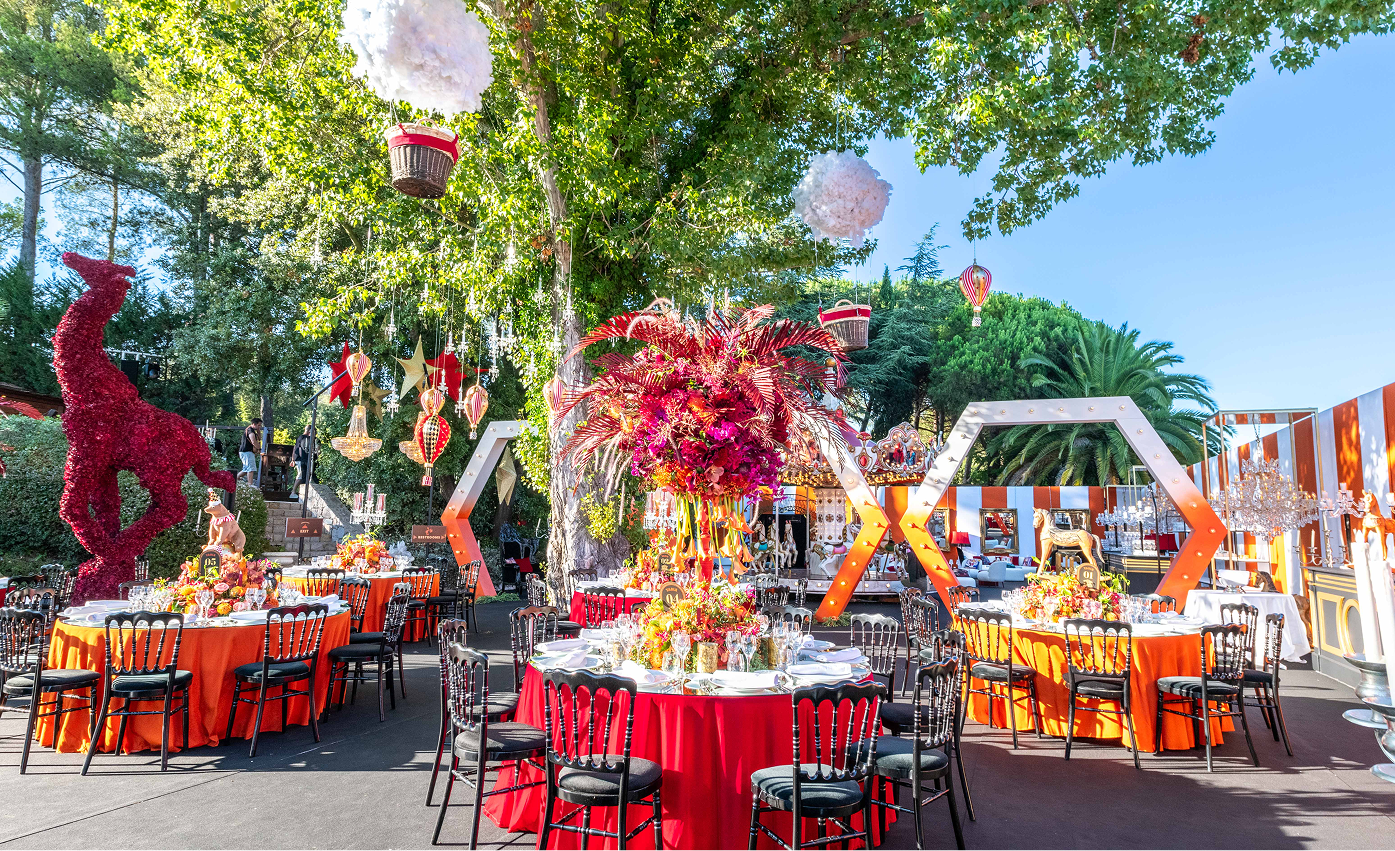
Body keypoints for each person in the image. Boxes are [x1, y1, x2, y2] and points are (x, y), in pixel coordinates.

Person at [291, 424, 315, 492]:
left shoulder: (300, 437)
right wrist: (302, 459)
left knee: (302, 475)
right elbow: (299, 449)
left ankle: (297, 491)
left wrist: (293, 459)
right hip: (300, 459)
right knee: (300, 475)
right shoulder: (304, 438)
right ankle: (293, 491)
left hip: (298, 458)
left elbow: (294, 448)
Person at [238, 418, 262, 486]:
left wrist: (258, 431)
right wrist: (259, 449)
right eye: (259, 425)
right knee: (250, 469)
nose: (259, 427)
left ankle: (235, 479)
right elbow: (253, 441)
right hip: (246, 452)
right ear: (254, 424)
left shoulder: (253, 430)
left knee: (246, 469)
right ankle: (250, 486)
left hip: (246, 452)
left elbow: (259, 438)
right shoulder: (250, 430)